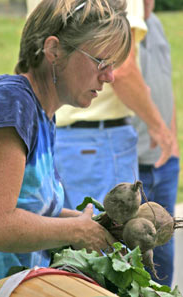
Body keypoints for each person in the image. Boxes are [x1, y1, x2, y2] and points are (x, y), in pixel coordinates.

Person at [0, 0, 132, 296]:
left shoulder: (41, 112)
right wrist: (77, 231)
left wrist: (95, 224)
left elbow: (27, 209)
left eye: (113, 65)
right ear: (54, 49)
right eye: (100, 61)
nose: (109, 76)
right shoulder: (9, 104)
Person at [54, 0, 173, 213]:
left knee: (67, 238)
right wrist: (158, 127)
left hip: (58, 133)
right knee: (111, 239)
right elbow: (122, 69)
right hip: (101, 143)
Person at [131, 0, 180, 286]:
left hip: (165, 161)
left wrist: (171, 140)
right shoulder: (118, 27)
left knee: (164, 243)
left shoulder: (157, 25)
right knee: (133, 253)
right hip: (135, 162)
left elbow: (165, 86)